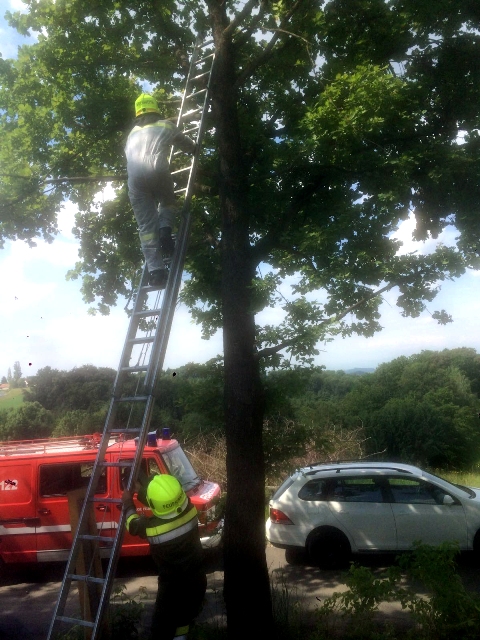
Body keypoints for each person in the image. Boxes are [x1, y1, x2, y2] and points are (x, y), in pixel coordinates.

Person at [121, 474, 207, 640]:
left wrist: (127, 503)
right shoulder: (189, 509)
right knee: (183, 620)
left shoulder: (152, 528)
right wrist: (142, 491)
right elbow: (166, 506)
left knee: (161, 630)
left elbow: (132, 524)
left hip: (173, 589)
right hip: (196, 581)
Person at [125, 94, 196, 288]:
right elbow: (185, 143)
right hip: (158, 171)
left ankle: (156, 272)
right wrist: (193, 149)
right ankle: (165, 229)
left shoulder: (132, 133)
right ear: (155, 109)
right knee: (167, 201)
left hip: (135, 180)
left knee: (146, 228)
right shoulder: (165, 125)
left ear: (138, 114)